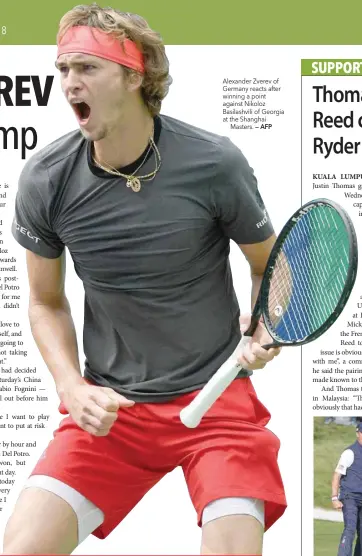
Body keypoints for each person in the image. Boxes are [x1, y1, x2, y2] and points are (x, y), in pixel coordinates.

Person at [3, 4, 286, 555]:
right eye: (62, 69)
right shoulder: (44, 179)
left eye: (87, 68)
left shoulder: (214, 162)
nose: (68, 83)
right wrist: (70, 386)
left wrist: (265, 327)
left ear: (136, 75)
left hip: (218, 403)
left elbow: (268, 268)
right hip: (112, 411)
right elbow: (44, 303)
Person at [332, 423, 362, 556]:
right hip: (349, 496)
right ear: (358, 433)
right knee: (350, 528)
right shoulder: (350, 452)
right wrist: (334, 498)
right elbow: (337, 475)